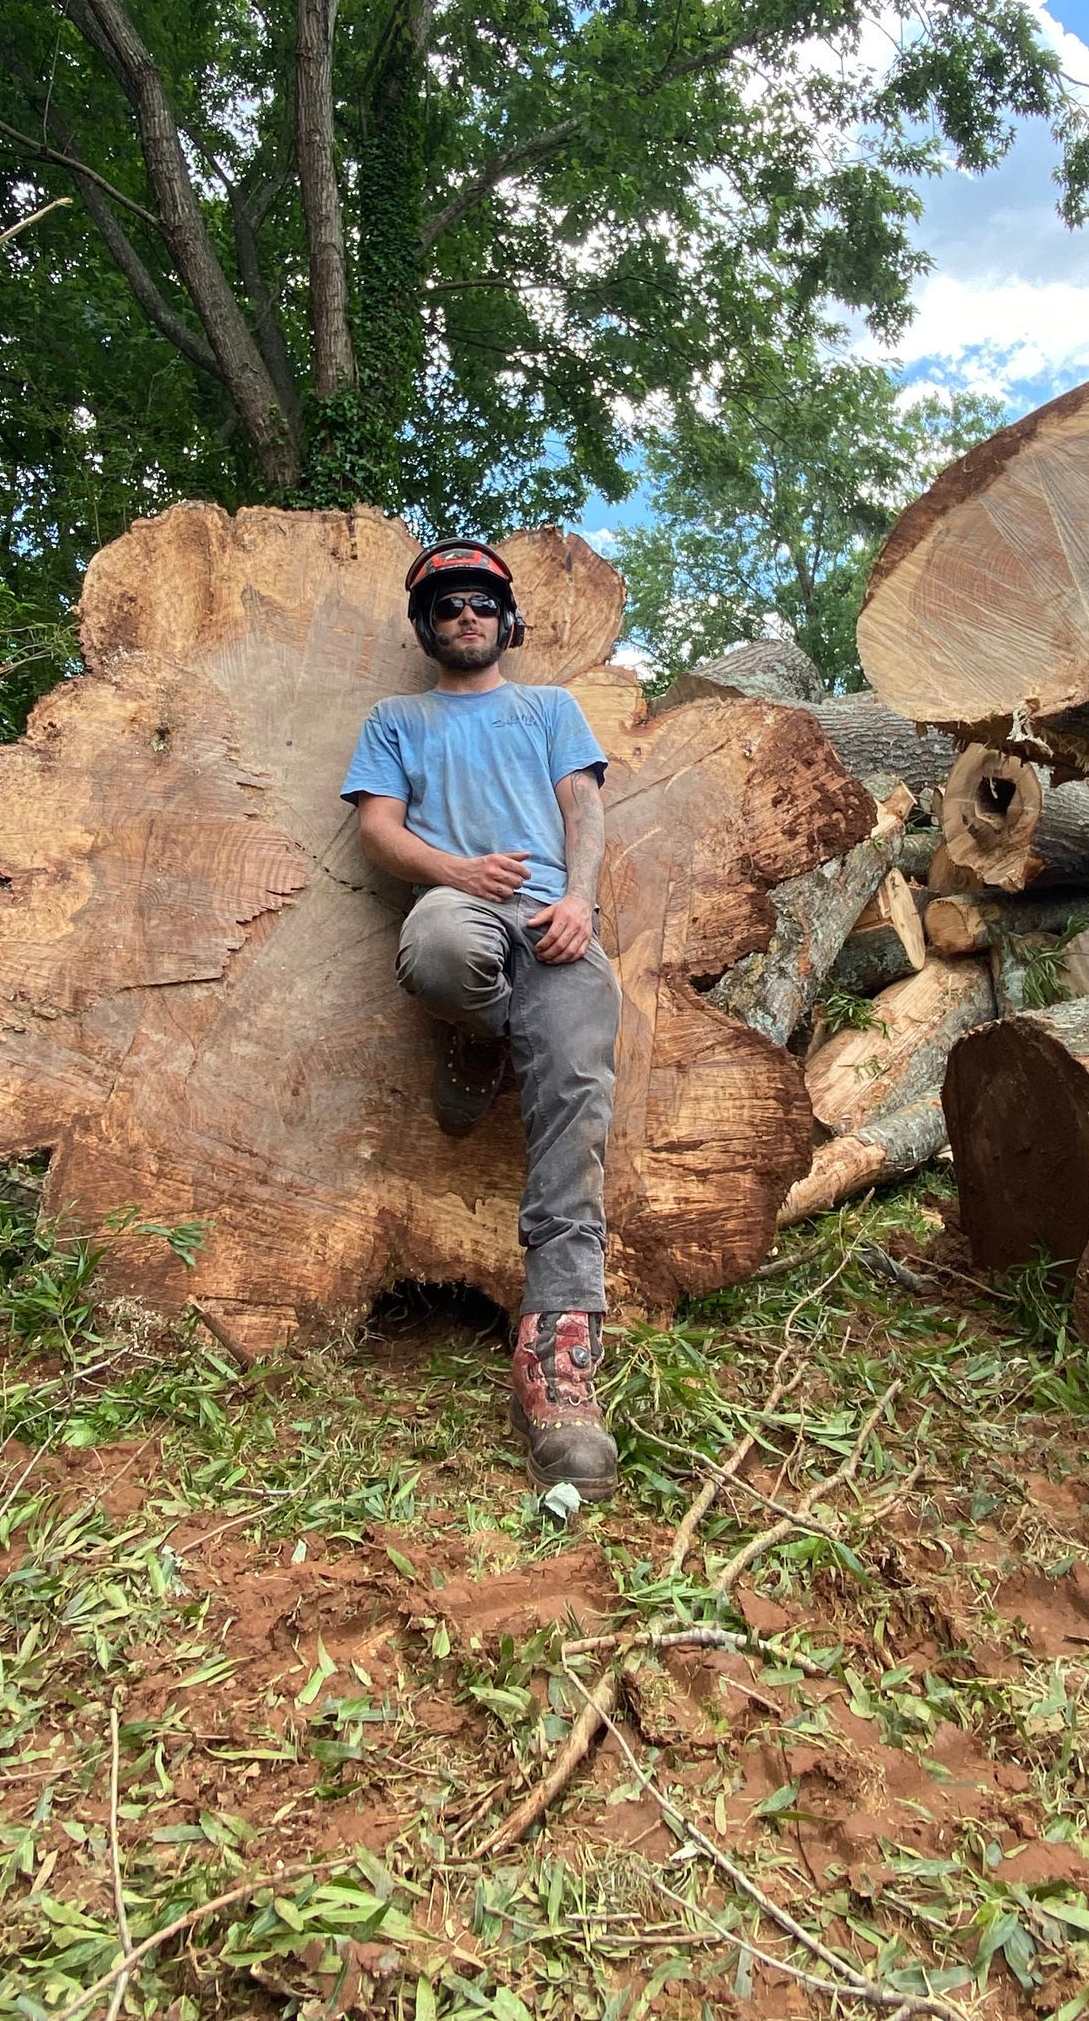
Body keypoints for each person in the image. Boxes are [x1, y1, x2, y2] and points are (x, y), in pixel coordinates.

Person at [341, 539, 620, 1502]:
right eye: (449, 604)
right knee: (441, 952)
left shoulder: (549, 709)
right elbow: (377, 827)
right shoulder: (396, 718)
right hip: (460, 905)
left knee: (580, 1085)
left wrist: (581, 902)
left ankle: (558, 1356)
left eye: (482, 604)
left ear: (508, 621)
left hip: (553, 918)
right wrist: (456, 872)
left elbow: (583, 811)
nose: (467, 615)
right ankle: (479, 1029)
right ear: (427, 626)